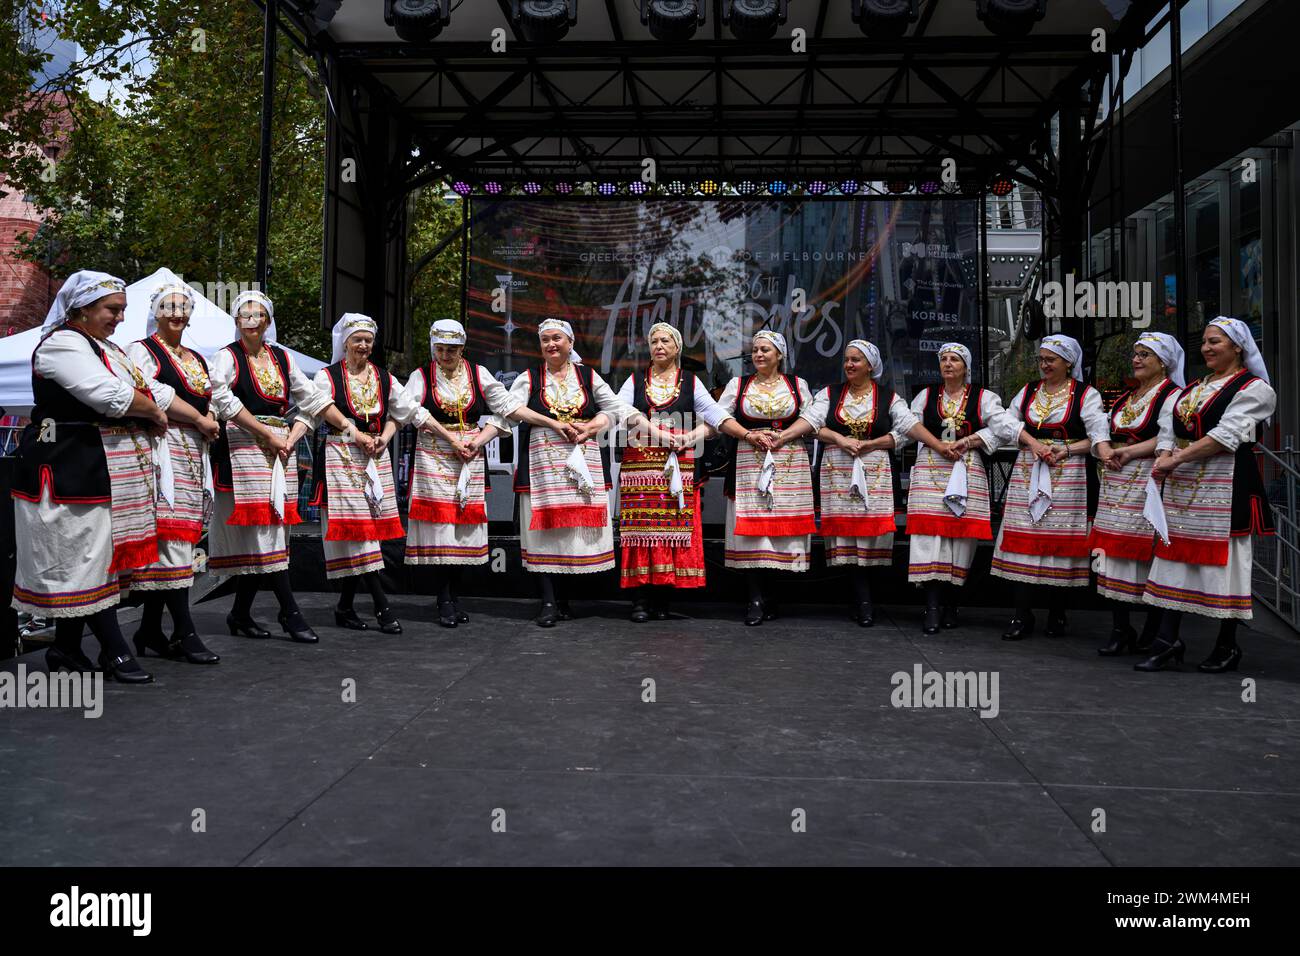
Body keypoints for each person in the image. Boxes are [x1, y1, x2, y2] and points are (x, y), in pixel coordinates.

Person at [12, 272, 171, 682]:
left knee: (96, 557)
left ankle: (65, 649)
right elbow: (109, 395)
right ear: (82, 308)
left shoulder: (108, 348)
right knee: (82, 559)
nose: (119, 318)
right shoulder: (63, 344)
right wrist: (153, 413)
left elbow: (152, 388)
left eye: (122, 310)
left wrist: (198, 418)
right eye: (112, 309)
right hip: (64, 466)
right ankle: (114, 650)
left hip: (95, 467)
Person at [404, 319, 593, 627]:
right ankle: (443, 598)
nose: (445, 356)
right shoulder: (421, 376)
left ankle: (455, 596)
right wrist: (452, 438)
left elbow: (507, 408)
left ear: (462, 348)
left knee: (462, 534)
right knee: (440, 531)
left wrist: (480, 440)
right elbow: (412, 411)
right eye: (439, 349)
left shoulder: (478, 374)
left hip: (470, 456)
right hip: (435, 456)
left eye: (452, 350)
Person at [208, 290, 351, 643]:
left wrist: (342, 430)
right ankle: (290, 612)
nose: (251, 321)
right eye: (245, 315)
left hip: (279, 450)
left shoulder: (281, 358)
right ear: (237, 321)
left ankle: (240, 614)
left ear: (268, 322)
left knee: (272, 531)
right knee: (264, 532)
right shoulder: (227, 357)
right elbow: (220, 397)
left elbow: (314, 401)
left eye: (258, 315)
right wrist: (265, 434)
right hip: (243, 448)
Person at [1137, 317, 1277, 673]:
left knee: (1226, 565)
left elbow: (1228, 435)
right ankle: (1168, 640)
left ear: (1237, 347)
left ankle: (1227, 644)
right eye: (1204, 342)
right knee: (1172, 559)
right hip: (1184, 487)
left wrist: (1176, 459)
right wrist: (1165, 454)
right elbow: (1169, 427)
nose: (1207, 348)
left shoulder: (1255, 390)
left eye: (1215, 342)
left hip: (1226, 486)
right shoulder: (1194, 388)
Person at [506, 319, 661, 627]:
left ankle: (564, 599)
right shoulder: (529, 377)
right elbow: (511, 408)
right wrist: (552, 423)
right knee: (544, 533)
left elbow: (615, 408)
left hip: (583, 458)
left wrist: (591, 426)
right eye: (545, 340)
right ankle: (548, 602)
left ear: (570, 343)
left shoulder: (588, 377)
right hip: (542, 464)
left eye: (557, 339)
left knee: (572, 534)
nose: (551, 344)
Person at [803, 339, 953, 627]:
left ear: (870, 366)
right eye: (847, 359)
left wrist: (877, 442)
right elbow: (813, 424)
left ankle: (865, 598)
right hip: (838, 472)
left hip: (876, 472)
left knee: (870, 536)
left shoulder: (888, 397)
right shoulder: (830, 394)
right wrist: (839, 438)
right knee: (846, 536)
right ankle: (860, 599)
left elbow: (908, 429)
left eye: (856, 360)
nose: (849, 364)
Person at [311, 314, 428, 634]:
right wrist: (357, 435)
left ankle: (345, 606)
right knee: (360, 532)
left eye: (368, 340)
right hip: (341, 453)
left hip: (375, 456)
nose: (363, 345)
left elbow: (401, 412)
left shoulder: (384, 377)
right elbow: (323, 408)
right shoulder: (328, 376)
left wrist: (385, 437)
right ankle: (382, 606)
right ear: (344, 342)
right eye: (357, 339)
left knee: (365, 531)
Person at [991, 334, 1113, 640]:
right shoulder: (1029, 391)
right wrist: (1032, 442)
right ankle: (1022, 615)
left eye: (1050, 360)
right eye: (1041, 359)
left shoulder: (1086, 395)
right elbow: (1006, 423)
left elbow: (1099, 434)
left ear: (1068, 363)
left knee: (1060, 545)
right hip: (1028, 470)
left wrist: (1067, 450)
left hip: (1068, 475)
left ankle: (1057, 613)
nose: (1044, 365)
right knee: (1025, 542)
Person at [126, 283, 224, 664]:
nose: (177, 315)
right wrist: (200, 418)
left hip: (194, 452)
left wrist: (211, 419)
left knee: (181, 538)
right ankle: (183, 630)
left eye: (183, 308)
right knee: (170, 539)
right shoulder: (142, 350)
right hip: (162, 450)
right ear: (156, 312)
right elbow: (148, 390)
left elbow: (213, 395)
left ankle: (150, 629)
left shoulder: (197, 358)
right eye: (169, 308)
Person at [616, 322, 735, 622]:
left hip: (676, 468)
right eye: (654, 341)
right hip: (640, 468)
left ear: (677, 347)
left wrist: (689, 437)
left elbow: (716, 418)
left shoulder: (691, 382)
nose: (658, 346)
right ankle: (640, 599)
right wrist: (653, 430)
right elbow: (619, 411)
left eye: (665, 340)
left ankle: (662, 599)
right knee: (640, 532)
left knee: (671, 531)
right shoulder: (635, 380)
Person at [908, 343, 1017, 633]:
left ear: (966, 367)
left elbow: (1006, 428)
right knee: (928, 537)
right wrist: (937, 444)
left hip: (966, 468)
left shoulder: (983, 398)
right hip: (931, 467)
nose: (947, 363)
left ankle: (951, 605)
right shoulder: (926, 396)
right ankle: (931, 607)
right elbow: (910, 426)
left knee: (959, 539)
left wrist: (970, 441)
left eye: (954, 359)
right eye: (943, 359)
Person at [1087, 333, 1184, 656]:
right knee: (1112, 554)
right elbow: (1103, 428)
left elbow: (1166, 438)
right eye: (1136, 353)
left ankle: (1151, 629)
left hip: (1148, 479)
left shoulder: (1172, 396)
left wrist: (1128, 453)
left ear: (1163, 361)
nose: (1137, 359)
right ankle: (1120, 626)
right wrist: (1105, 451)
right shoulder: (1128, 396)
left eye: (1145, 354)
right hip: (1116, 480)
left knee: (1147, 554)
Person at [716, 330, 817, 626]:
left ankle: (773, 595)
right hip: (749, 460)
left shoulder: (798, 385)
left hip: (789, 461)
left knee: (780, 532)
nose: (759, 355)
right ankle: (755, 597)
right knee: (753, 534)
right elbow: (719, 417)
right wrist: (749, 434)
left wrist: (783, 436)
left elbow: (812, 419)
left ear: (780, 355)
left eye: (765, 350)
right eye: (756, 350)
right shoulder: (739, 384)